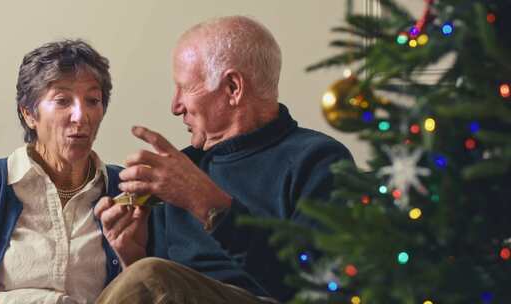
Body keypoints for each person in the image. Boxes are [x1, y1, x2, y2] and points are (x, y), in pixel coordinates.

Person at [94, 16, 353, 303]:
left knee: (149, 277)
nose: (175, 106)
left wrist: (207, 204)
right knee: (146, 273)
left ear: (233, 88)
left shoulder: (318, 161)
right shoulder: (179, 169)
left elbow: (320, 286)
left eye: (185, 87)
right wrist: (134, 255)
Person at [0, 39, 141, 303]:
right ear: (28, 113)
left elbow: (151, 288)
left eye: (93, 100)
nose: (81, 115)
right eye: (62, 100)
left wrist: (131, 256)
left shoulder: (123, 188)